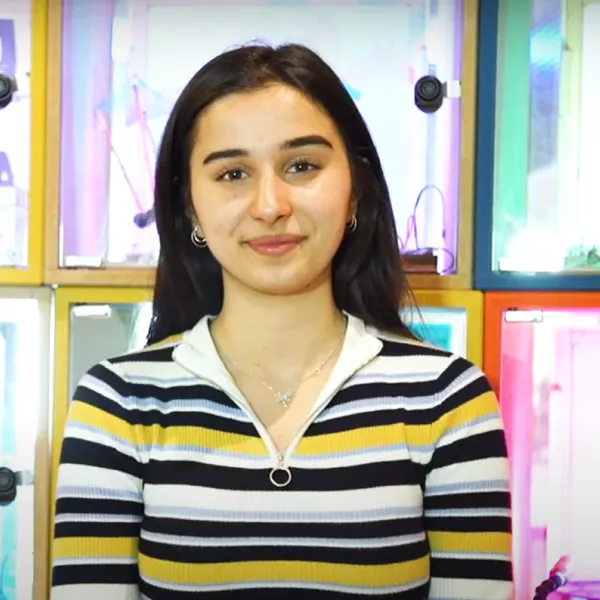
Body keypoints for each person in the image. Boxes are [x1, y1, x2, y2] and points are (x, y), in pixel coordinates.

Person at [50, 43, 512, 599]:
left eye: (302, 166)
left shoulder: (448, 400)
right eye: (232, 173)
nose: (270, 205)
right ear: (189, 207)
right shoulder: (118, 403)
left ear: (355, 188)